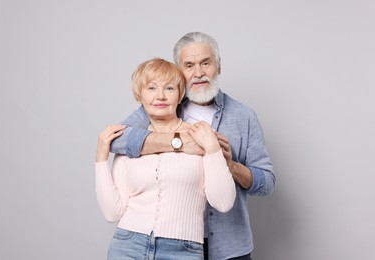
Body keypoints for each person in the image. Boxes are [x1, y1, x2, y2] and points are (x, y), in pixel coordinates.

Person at [110, 32, 276, 260]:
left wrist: (228, 164)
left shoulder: (244, 116)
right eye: (189, 66)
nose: (198, 73)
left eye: (205, 63)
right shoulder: (164, 106)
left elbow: (266, 182)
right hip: (173, 246)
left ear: (218, 66)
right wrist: (179, 142)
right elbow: (118, 139)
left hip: (230, 247)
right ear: (179, 71)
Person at [96, 58, 236, 260]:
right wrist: (100, 160)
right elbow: (112, 213)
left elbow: (223, 202)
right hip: (127, 246)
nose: (160, 96)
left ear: (180, 95)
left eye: (169, 88)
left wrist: (213, 148)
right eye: (151, 88)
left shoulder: (201, 137)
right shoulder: (131, 143)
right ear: (139, 95)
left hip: (182, 250)